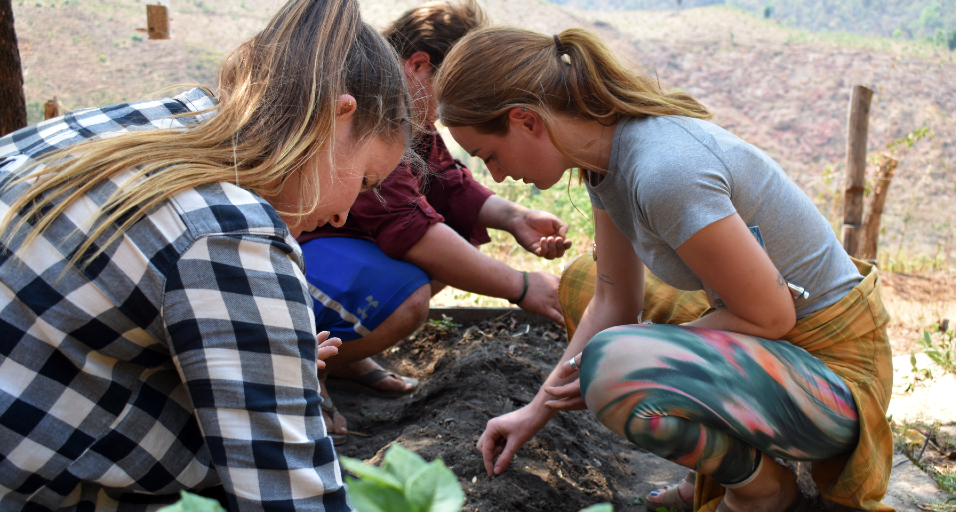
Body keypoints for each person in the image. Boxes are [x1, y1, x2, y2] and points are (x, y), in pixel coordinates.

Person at [434, 26, 894, 512]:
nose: (498, 176)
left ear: (526, 120)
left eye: (489, 155)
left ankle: (760, 489)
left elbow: (771, 318)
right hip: (782, 351)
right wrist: (535, 410)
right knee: (584, 287)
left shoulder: (664, 172)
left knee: (614, 364)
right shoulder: (602, 159)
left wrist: (645, 351)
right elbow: (614, 297)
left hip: (834, 381)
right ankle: (720, 464)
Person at [0, 0, 410, 509]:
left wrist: (270, 358)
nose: (344, 215)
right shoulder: (233, 237)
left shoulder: (139, 123)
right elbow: (291, 497)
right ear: (335, 118)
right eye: (365, 179)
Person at [297, 0, 572, 440]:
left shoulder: (408, 112)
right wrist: (520, 286)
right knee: (410, 293)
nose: (451, 108)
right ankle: (304, 372)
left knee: (457, 235)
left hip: (336, 248)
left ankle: (342, 355)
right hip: (298, 255)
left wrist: (516, 216)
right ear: (419, 65)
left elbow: (448, 183)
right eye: (452, 89)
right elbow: (406, 225)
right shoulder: (365, 110)